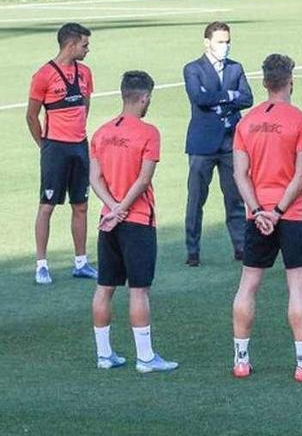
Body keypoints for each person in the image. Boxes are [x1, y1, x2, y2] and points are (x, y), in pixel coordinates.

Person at [230, 54, 302, 381]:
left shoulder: (246, 122)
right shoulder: (301, 121)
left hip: (257, 215)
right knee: (298, 287)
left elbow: (240, 174)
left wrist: (259, 211)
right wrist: (277, 212)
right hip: (291, 214)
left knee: (248, 284)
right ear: (291, 80)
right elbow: (300, 176)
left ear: (264, 82)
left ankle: (241, 361)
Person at [89, 71, 178, 373]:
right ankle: (145, 358)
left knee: (105, 287)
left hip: (107, 222)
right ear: (144, 98)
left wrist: (111, 208)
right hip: (137, 221)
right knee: (139, 289)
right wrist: (123, 209)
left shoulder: (101, 132)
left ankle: (104, 355)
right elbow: (143, 180)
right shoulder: (148, 133)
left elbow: (94, 178)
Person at [26, 22, 98, 284]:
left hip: (80, 147)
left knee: (81, 205)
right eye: (85, 45)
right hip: (55, 148)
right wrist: (45, 146)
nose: (88, 49)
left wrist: (77, 135)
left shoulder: (85, 72)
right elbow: (31, 116)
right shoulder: (43, 75)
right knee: (47, 206)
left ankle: (81, 262)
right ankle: (41, 265)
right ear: (71, 45)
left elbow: (85, 106)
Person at [183, 21, 254, 266]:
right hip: (202, 143)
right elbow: (199, 97)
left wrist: (222, 99)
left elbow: (247, 98)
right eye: (220, 42)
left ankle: (241, 246)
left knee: (234, 197)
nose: (225, 46)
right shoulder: (193, 69)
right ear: (207, 43)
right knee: (196, 199)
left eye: (227, 41)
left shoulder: (236, 68)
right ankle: (193, 250)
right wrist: (229, 96)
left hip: (230, 142)